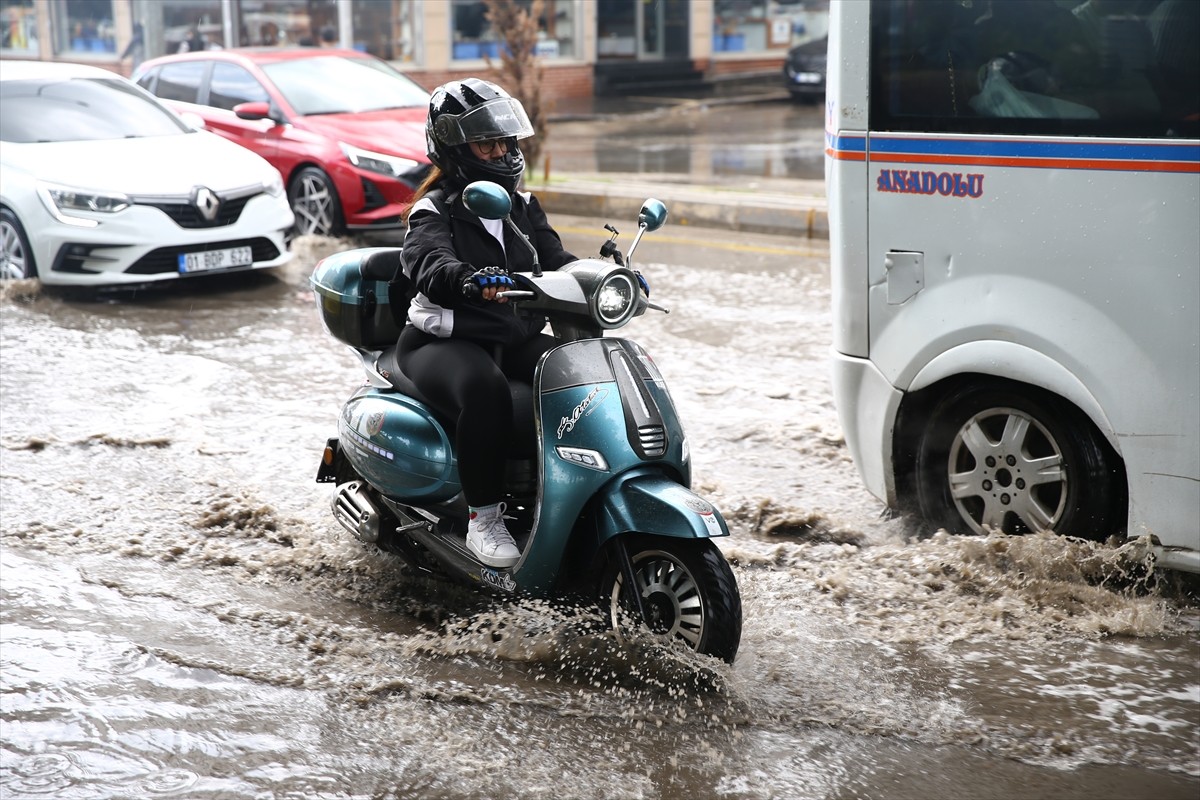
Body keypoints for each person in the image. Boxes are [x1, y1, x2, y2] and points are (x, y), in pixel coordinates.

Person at [398, 79, 577, 568]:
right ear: (455, 149)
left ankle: (560, 487)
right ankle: (484, 517)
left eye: (505, 141)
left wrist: (604, 277)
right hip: (439, 340)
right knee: (486, 388)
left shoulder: (522, 205)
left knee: (578, 369)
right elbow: (428, 263)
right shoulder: (433, 210)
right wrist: (468, 280)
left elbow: (557, 259)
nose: (501, 153)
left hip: (509, 336)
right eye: (487, 144)